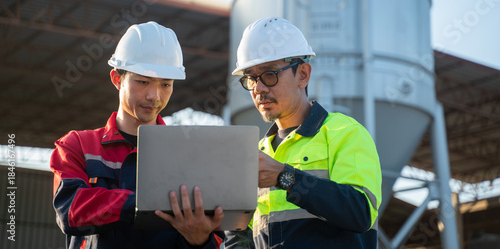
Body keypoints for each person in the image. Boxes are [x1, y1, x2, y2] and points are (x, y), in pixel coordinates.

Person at [50, 21, 224, 249]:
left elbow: (217, 233)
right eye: (143, 82)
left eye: (166, 84)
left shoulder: (189, 154)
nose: (154, 95)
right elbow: (71, 210)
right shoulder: (77, 146)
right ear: (116, 79)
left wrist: (201, 241)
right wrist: (145, 204)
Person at [225, 17, 382, 248]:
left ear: (303, 75)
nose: (258, 88)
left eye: (269, 74)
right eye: (251, 78)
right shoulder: (257, 152)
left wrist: (286, 177)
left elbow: (360, 213)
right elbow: (238, 235)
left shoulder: (345, 133)